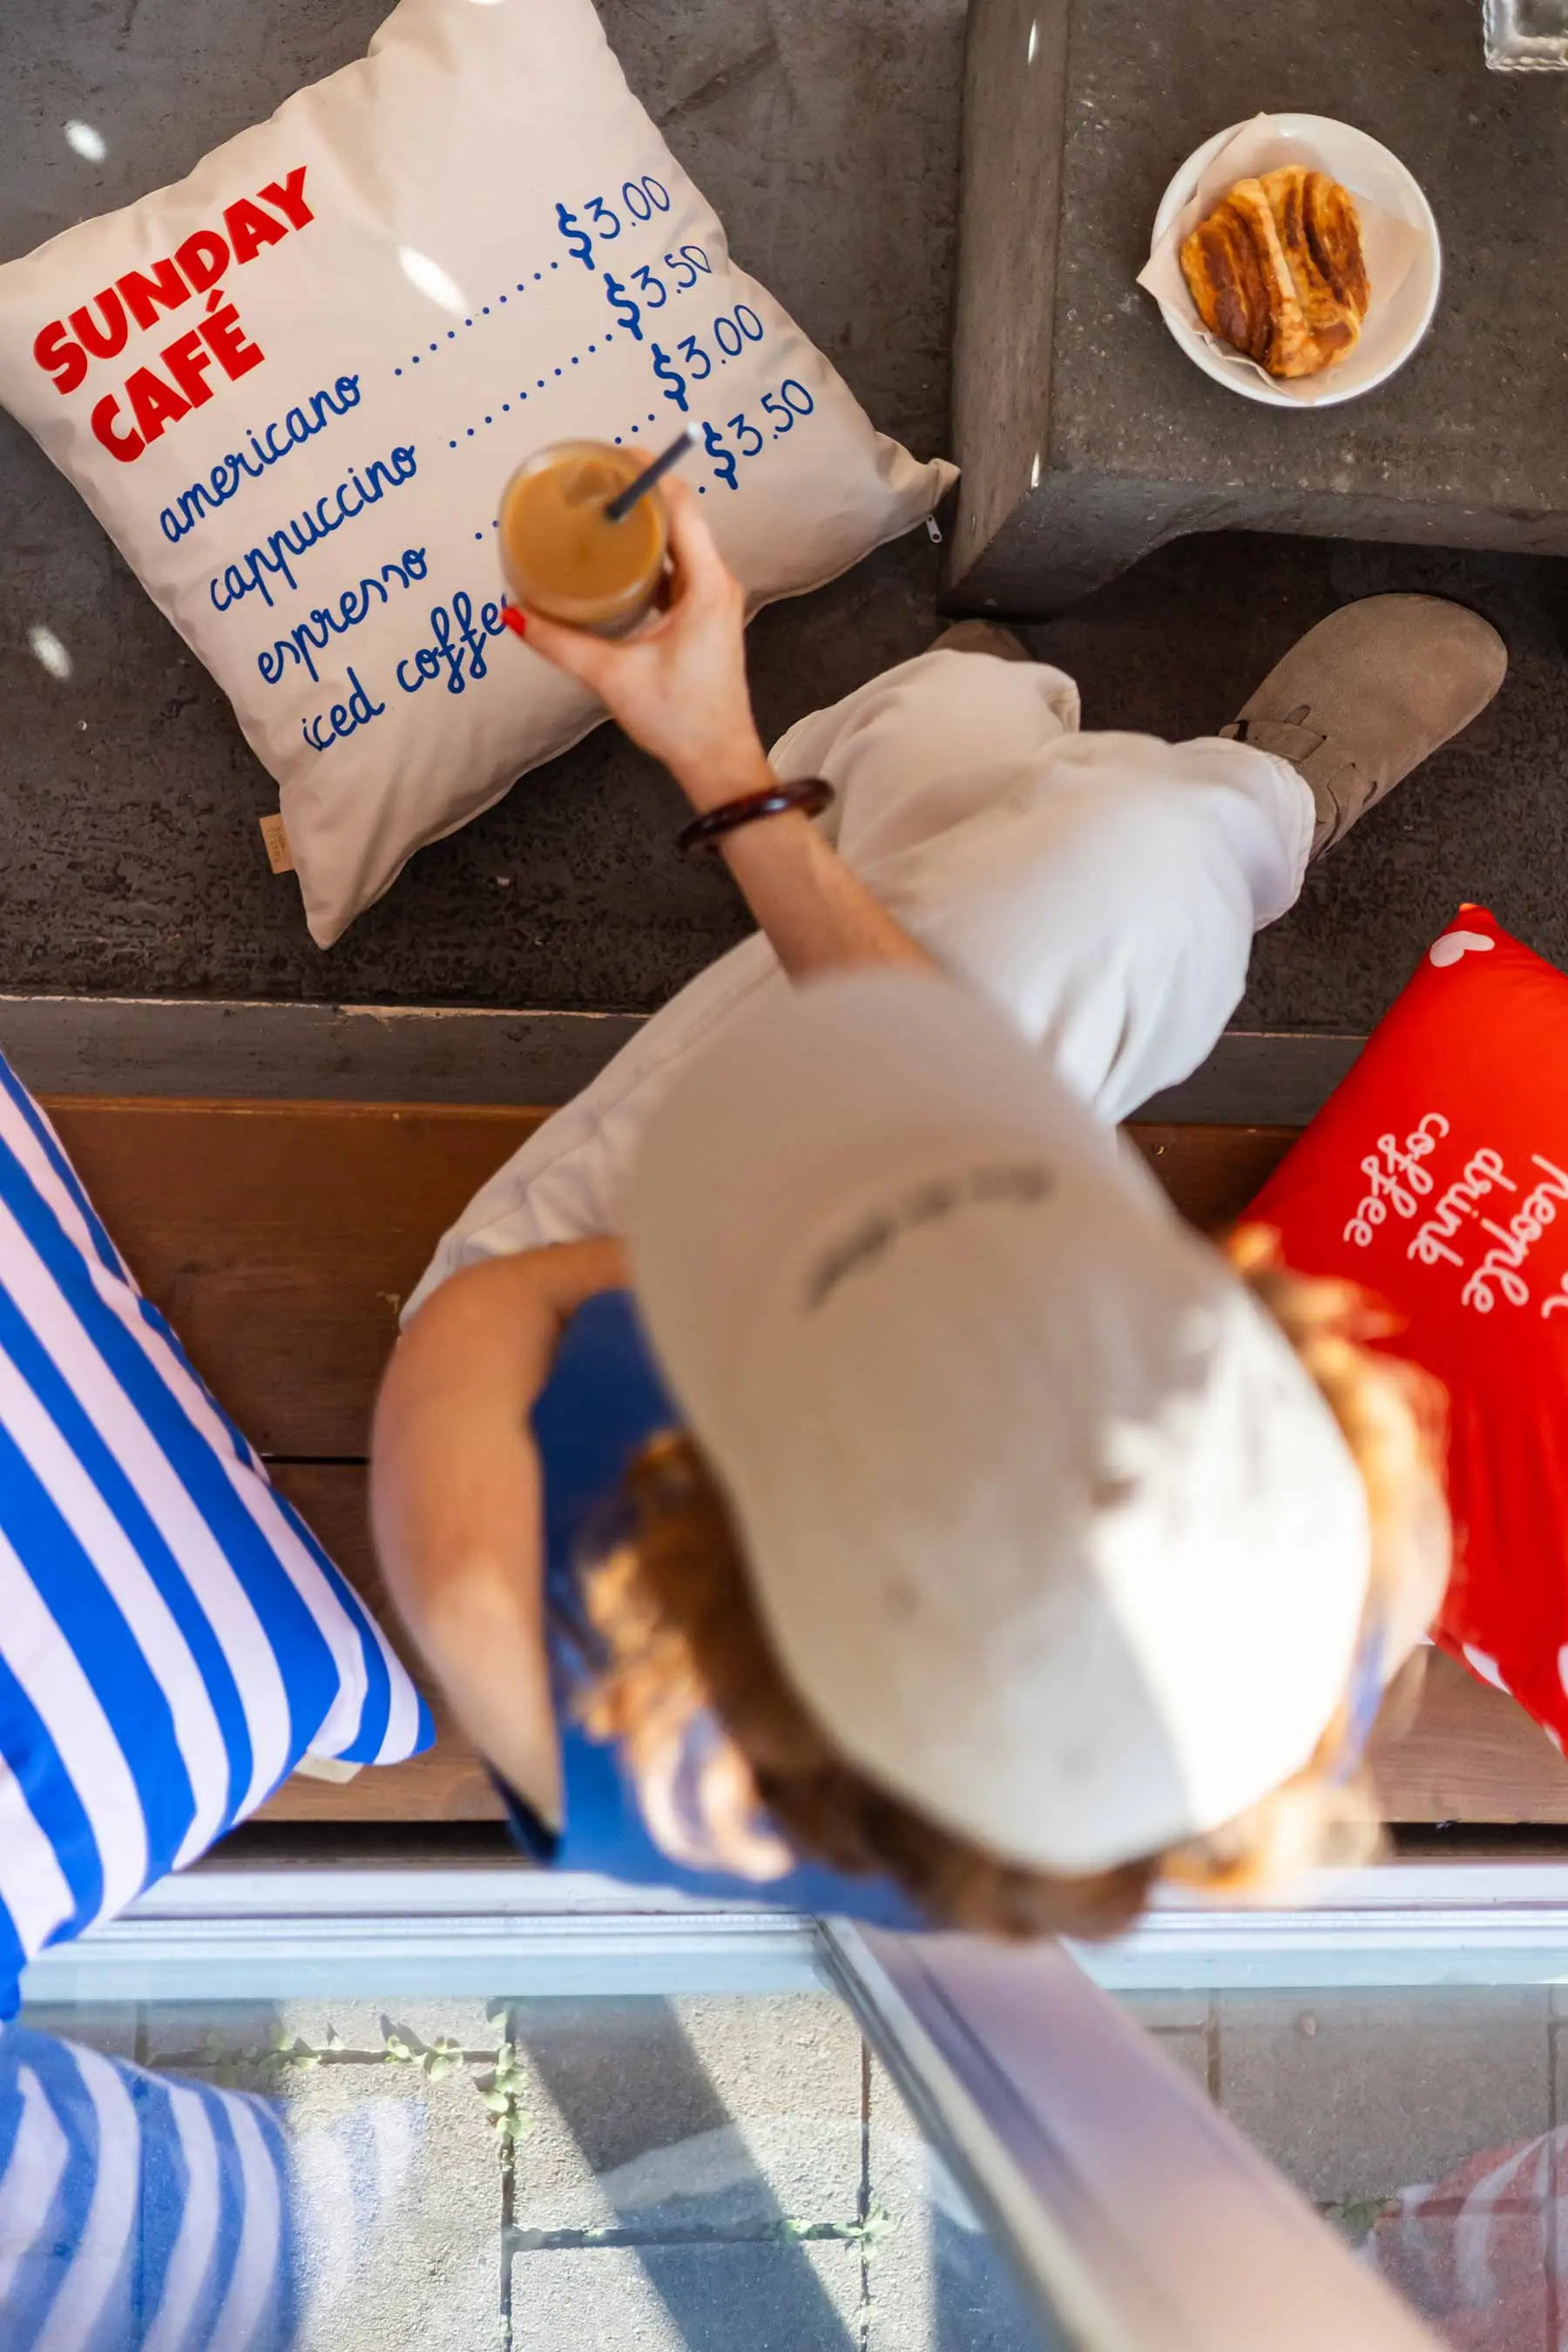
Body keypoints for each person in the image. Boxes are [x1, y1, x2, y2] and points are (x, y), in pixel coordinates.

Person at [370, 480, 1504, 1935]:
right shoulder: (1314, 1594)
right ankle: (1162, 801)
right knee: (1118, 872)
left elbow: (496, 1307)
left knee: (1058, 846)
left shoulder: (513, 1615)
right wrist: (718, 762)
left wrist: (723, 767)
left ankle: (972, 773)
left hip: (607, 1277)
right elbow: (955, 1108)